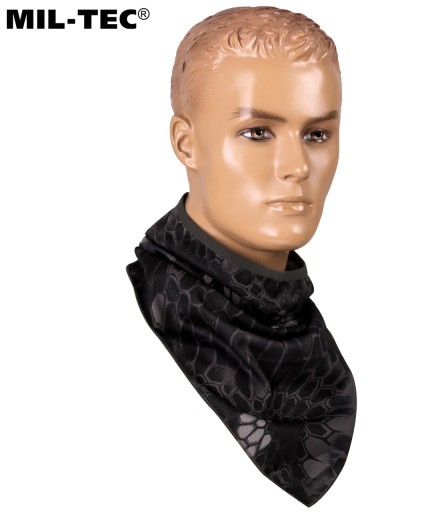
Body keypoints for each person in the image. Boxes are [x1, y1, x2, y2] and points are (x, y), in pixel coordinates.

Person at [127, 6, 356, 507]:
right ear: (186, 143)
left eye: (317, 134)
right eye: (258, 133)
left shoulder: (310, 339)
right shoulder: (126, 330)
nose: (296, 167)